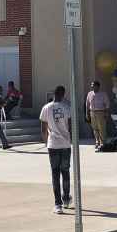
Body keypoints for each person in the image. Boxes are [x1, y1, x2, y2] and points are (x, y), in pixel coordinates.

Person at [40, 85, 72, 215]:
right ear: (63, 94)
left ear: (53, 94)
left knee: (55, 173)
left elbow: (43, 127)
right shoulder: (66, 108)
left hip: (53, 144)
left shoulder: (46, 108)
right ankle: (65, 199)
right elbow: (69, 125)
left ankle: (57, 204)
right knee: (65, 172)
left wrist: (45, 140)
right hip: (65, 144)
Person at [85, 81, 110, 151]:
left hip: (100, 112)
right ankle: (97, 141)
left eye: (93, 85)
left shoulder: (103, 94)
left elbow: (107, 104)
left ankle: (102, 143)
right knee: (95, 128)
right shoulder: (89, 94)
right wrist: (87, 113)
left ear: (98, 86)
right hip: (92, 112)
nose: (92, 86)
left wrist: (106, 113)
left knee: (101, 128)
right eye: (91, 85)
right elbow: (87, 104)